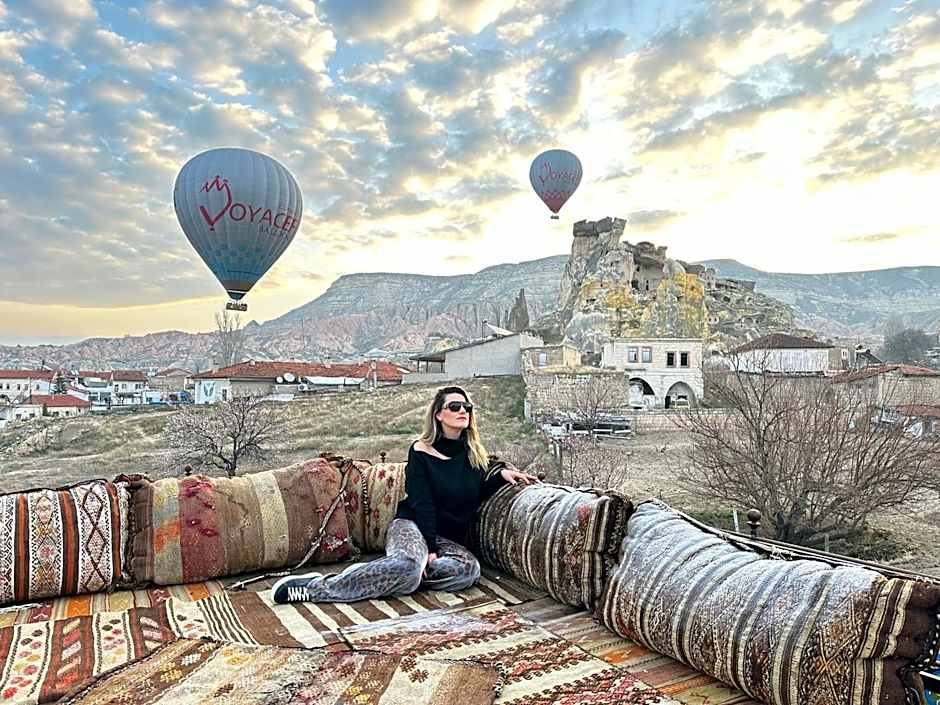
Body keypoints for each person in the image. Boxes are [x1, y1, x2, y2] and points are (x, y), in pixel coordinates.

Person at [272, 385, 538, 604]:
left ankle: (390, 573)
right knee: (412, 565)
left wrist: (502, 475)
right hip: (412, 526)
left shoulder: (473, 456)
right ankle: (318, 587)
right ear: (438, 414)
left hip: (447, 539)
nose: (462, 411)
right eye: (454, 406)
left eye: (466, 407)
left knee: (468, 571)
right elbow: (422, 502)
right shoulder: (420, 451)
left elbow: (475, 489)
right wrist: (430, 549)